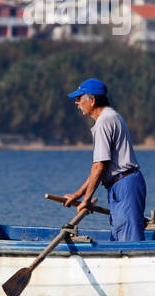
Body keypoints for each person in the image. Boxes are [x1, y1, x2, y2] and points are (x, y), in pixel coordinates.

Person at [61, 78, 146, 242]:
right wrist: (79, 194)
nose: (77, 103)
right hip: (123, 185)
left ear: (92, 101)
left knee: (129, 242)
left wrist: (86, 200)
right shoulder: (111, 116)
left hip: (124, 185)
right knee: (121, 236)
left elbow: (99, 166)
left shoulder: (104, 122)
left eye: (79, 99)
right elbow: (99, 168)